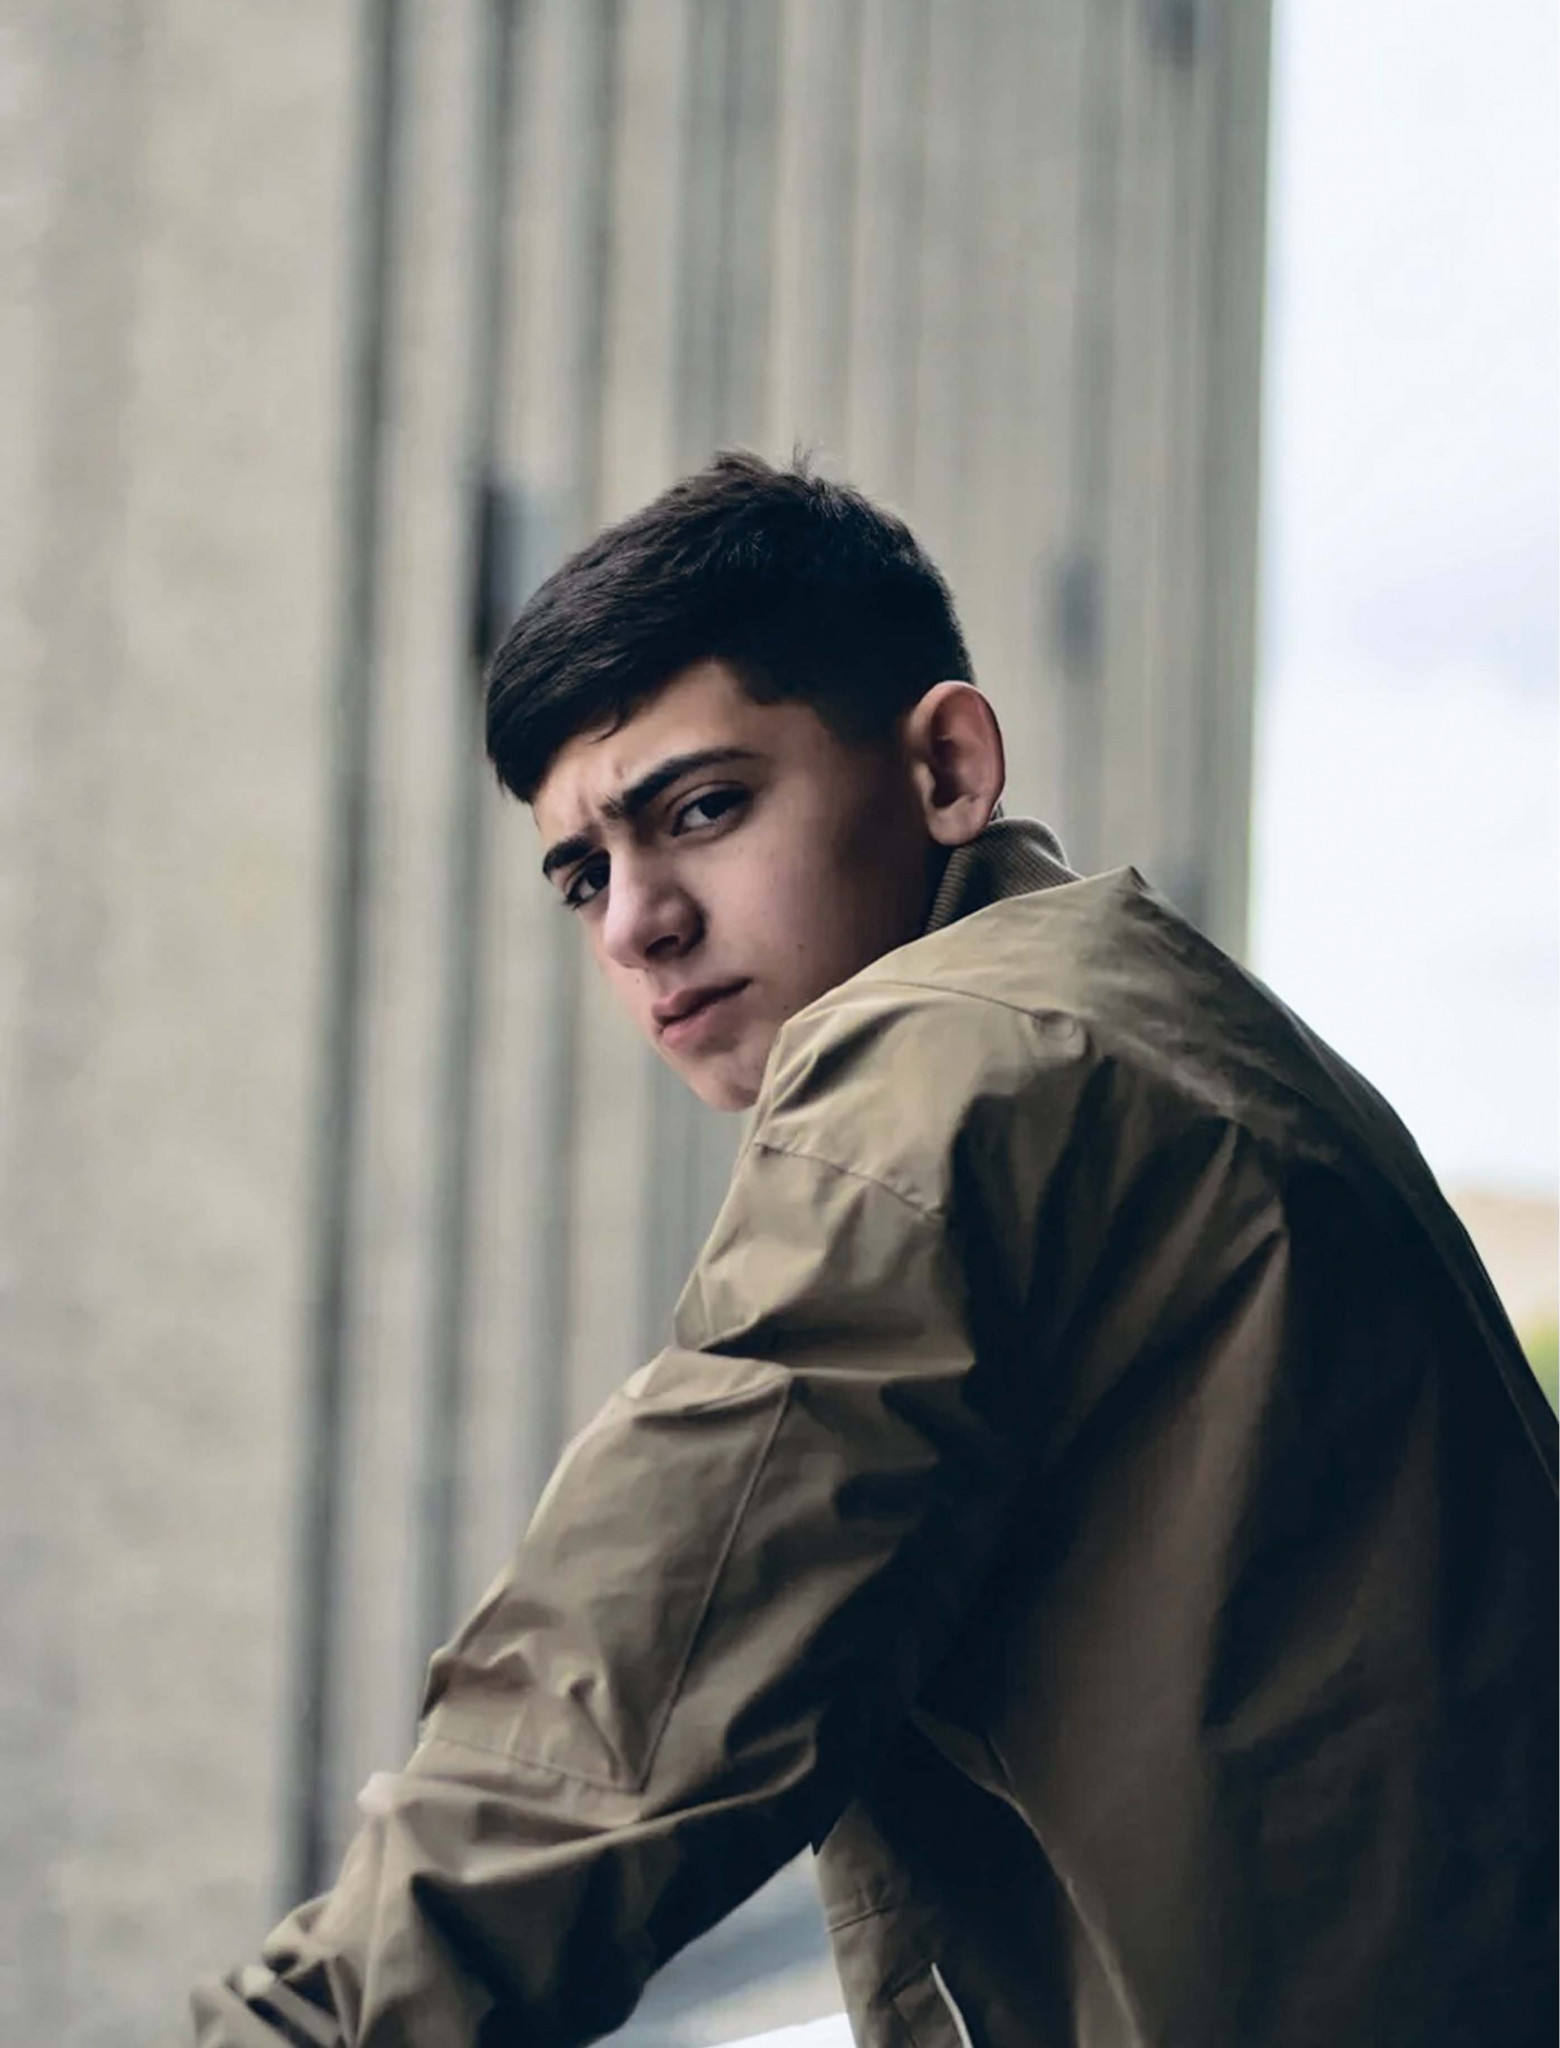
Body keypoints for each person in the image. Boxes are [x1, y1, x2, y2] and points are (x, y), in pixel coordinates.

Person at [193, 454, 1557, 2047]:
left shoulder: (951, 1071)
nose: (634, 921)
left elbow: (618, 1708)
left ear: (946, 769)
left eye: (702, 809)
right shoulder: (1164, 1027)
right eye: (585, 875)